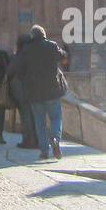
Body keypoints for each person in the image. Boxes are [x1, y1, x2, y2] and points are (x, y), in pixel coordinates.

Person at [29, 25, 71, 159]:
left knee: (39, 122)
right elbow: (64, 57)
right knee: (56, 117)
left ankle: (44, 151)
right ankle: (55, 139)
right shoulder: (52, 46)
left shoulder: (27, 49)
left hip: (35, 92)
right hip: (52, 89)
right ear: (44, 34)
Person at [5, 32, 41, 149]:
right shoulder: (34, 56)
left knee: (26, 116)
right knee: (34, 115)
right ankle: (37, 140)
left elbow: (9, 72)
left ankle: (28, 141)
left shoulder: (19, 56)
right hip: (34, 90)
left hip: (21, 91)